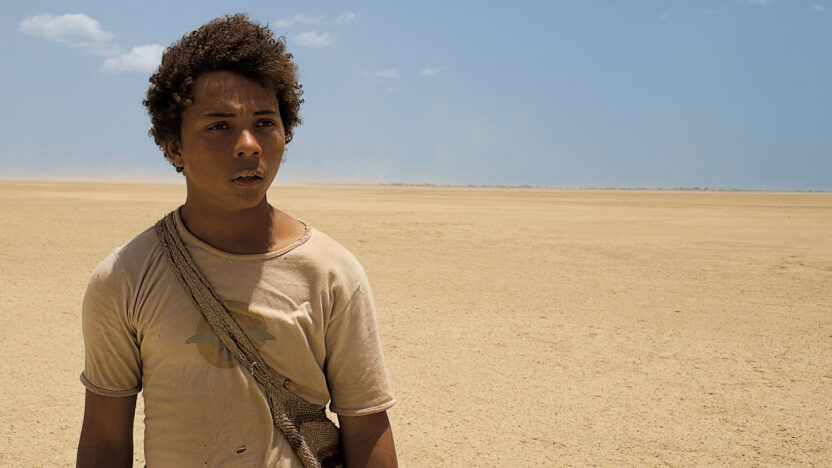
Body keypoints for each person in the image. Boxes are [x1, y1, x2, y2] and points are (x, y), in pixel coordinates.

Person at [76, 14, 397, 467]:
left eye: (264, 122)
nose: (249, 144)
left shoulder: (331, 273)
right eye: (220, 126)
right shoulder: (124, 278)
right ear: (174, 147)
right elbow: (106, 440)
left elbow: (367, 428)